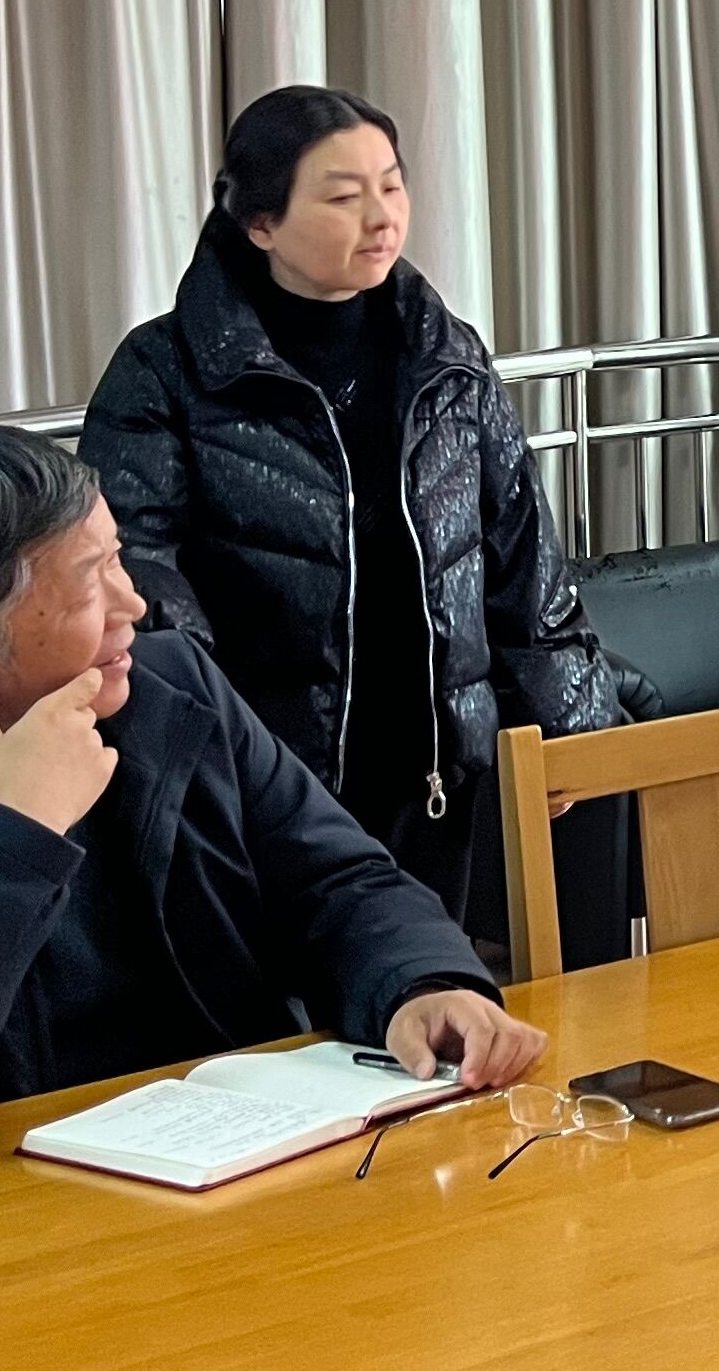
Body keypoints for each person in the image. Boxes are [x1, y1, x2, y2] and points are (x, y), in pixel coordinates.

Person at [0, 427, 541, 1180]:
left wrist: (419, 984)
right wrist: (10, 839)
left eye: (116, 557)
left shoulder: (169, 687)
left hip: (243, 1179)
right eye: (89, 583)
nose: (135, 604)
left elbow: (338, 883)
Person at [84, 86, 621, 927]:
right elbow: (136, 572)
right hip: (267, 789)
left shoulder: (445, 354)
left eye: (392, 186)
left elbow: (521, 550)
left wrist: (567, 724)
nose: (381, 217)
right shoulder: (165, 371)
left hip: (434, 773)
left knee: (427, 984)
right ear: (259, 221)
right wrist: (213, 752)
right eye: (342, 197)